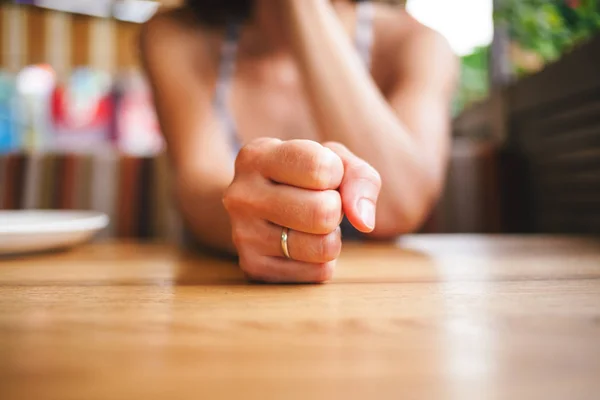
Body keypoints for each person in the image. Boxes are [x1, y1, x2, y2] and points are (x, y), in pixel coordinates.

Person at [140, 0, 457, 283]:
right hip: (223, 301)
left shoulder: (418, 43)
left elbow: (399, 206)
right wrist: (251, 218)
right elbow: (196, 188)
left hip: (382, 303)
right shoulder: (176, 34)